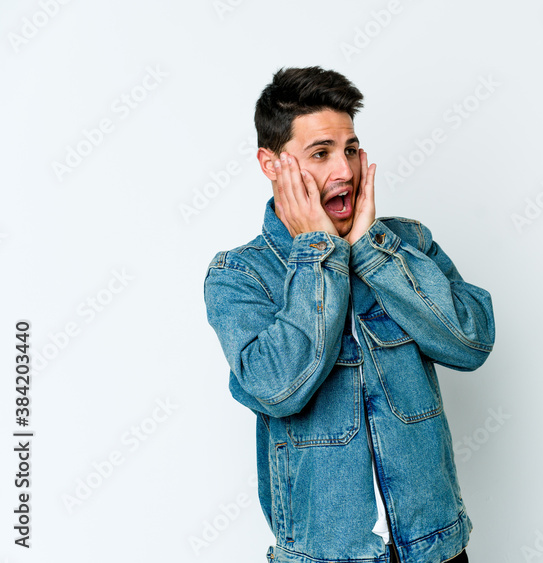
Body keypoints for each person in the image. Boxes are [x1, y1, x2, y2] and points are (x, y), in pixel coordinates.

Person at [203, 66, 495, 563]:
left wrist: (373, 251)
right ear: (272, 165)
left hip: (438, 549)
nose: (346, 170)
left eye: (351, 149)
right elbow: (278, 388)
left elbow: (470, 342)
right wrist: (319, 252)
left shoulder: (408, 245)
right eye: (321, 153)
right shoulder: (240, 275)